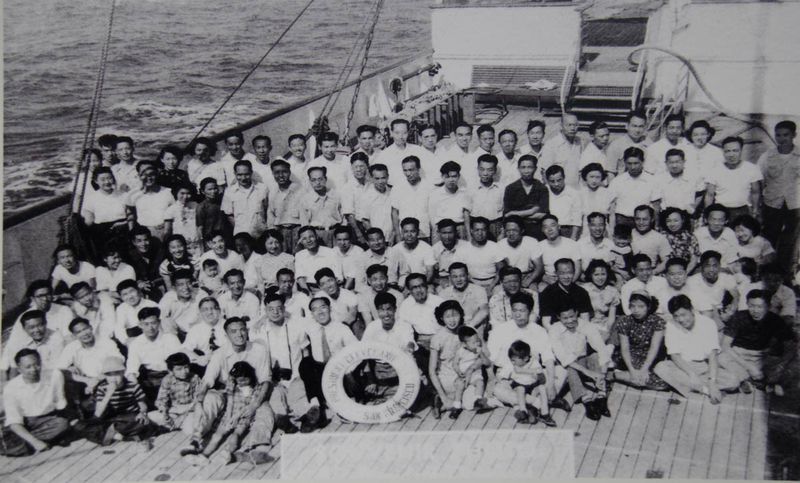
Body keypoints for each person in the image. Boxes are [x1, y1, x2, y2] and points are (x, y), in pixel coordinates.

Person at [487, 292, 565, 423]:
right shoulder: (500, 330)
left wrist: (551, 383)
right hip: (510, 376)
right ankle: (537, 403)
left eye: (522, 310)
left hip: (533, 375)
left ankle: (522, 406)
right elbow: (490, 359)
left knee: (562, 372)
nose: (518, 314)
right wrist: (491, 378)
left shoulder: (538, 331)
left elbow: (548, 358)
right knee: (498, 389)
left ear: (530, 311)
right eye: (515, 310)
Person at [654, 295, 743, 403]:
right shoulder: (671, 325)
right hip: (683, 367)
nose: (680, 319)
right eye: (676, 316)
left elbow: (712, 356)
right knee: (660, 367)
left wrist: (712, 382)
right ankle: (705, 391)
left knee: (733, 381)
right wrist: (692, 375)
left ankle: (693, 388)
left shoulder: (708, 323)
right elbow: (675, 356)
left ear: (692, 310)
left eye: (683, 314)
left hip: (705, 366)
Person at [185, 361, 273, 465]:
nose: (241, 383)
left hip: (244, 416)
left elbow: (248, 407)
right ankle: (204, 455)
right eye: (239, 381)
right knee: (217, 435)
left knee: (236, 434)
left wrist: (236, 417)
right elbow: (230, 402)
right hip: (230, 413)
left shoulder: (256, 388)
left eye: (244, 380)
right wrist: (229, 417)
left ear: (250, 376)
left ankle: (227, 453)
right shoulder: (232, 385)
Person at [249, 292, 310, 431]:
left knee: (300, 398)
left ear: (284, 308)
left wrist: (305, 374)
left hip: (295, 376)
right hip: (274, 380)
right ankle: (283, 421)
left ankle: (305, 420)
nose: (275, 312)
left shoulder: (296, 326)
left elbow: (306, 351)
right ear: (265, 311)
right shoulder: (257, 330)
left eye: (279, 308)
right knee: (276, 399)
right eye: (271, 309)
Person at [719, 289, 797, 396]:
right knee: (722, 358)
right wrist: (748, 367)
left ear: (769, 306)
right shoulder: (738, 317)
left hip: (762, 357)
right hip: (738, 356)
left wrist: (780, 367)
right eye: (752, 306)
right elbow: (725, 345)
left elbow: (792, 346)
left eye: (760, 307)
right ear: (747, 304)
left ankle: (748, 381)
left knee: (793, 366)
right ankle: (759, 382)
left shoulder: (775, 320)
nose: (755, 310)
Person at [297, 297, 358, 432]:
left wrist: (348, 371)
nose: (320, 312)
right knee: (306, 363)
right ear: (311, 314)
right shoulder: (310, 329)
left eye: (323, 307)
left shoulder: (342, 329)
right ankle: (315, 405)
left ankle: (330, 410)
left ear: (330, 309)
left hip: (341, 373)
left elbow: (357, 353)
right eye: (315, 310)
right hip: (321, 374)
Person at [0, 349, 72, 456]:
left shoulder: (54, 375)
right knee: (10, 441)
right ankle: (29, 441)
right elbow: (14, 422)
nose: (34, 369)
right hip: (23, 421)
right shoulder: (11, 388)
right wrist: (36, 442)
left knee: (63, 424)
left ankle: (22, 442)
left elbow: (60, 404)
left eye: (37, 365)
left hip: (48, 419)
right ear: (19, 369)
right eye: (28, 367)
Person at [548, 303, 613, 420]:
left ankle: (601, 396)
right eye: (565, 318)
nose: (570, 320)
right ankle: (587, 400)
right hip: (566, 364)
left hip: (582, 359)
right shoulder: (554, 329)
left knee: (595, 356)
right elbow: (564, 358)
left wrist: (602, 374)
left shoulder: (587, 325)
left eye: (572, 316)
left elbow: (601, 348)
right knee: (570, 367)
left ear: (577, 313)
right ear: (558, 317)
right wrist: (589, 373)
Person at [361, 293, 420, 406]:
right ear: (377, 311)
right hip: (379, 371)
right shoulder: (372, 327)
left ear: (395, 310)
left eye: (389, 309)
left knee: (413, 392)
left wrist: (409, 348)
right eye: (382, 310)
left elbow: (410, 343)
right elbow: (363, 353)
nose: (386, 313)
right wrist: (370, 380)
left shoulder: (404, 326)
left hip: (400, 369)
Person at [758, 120, 800, 270]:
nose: (782, 139)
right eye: (778, 135)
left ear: (794, 135)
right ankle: (766, 270)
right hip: (772, 204)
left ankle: (785, 271)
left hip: (795, 205)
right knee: (769, 237)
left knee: (790, 240)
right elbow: (759, 180)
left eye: (786, 135)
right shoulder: (767, 156)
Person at [125, 307, 184, 407]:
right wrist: (135, 386)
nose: (150, 328)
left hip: (171, 377)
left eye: (153, 323)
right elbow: (131, 368)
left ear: (159, 322)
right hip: (149, 380)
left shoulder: (170, 338)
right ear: (140, 325)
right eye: (146, 324)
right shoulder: (136, 343)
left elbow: (179, 363)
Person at [610, 291, 669, 390]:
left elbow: (654, 347)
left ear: (648, 307)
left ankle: (618, 375)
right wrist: (632, 371)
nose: (636, 310)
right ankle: (619, 375)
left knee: (663, 383)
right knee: (640, 379)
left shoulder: (658, 321)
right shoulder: (625, 321)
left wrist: (644, 369)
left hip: (650, 358)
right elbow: (625, 348)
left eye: (641, 306)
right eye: (633, 306)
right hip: (631, 358)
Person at [90, 356, 155, 446]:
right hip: (112, 417)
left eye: (116, 373)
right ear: (104, 376)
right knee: (90, 426)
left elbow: (143, 405)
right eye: (109, 375)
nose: (113, 378)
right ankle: (123, 436)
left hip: (129, 416)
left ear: (123, 373)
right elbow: (98, 413)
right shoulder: (102, 388)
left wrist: (142, 413)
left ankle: (115, 434)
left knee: (142, 422)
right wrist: (108, 394)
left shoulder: (132, 386)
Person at [704, 136, 762, 222]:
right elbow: (709, 195)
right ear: (723, 152)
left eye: (735, 151)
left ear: (741, 150)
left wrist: (755, 210)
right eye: (728, 151)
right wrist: (707, 214)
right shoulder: (715, 169)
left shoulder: (751, 168)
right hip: (721, 211)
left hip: (743, 210)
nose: (731, 155)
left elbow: (755, 192)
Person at [148, 352, 203, 434]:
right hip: (173, 410)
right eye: (179, 369)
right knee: (150, 416)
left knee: (190, 430)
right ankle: (173, 424)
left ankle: (175, 425)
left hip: (189, 410)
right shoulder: (167, 380)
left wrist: (186, 413)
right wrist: (164, 412)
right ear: (170, 371)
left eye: (186, 367)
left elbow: (198, 398)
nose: (184, 371)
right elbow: (162, 399)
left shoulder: (194, 378)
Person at [0, 310, 65, 379]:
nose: (37, 330)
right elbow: (14, 368)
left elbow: (55, 369)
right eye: (32, 327)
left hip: (49, 376)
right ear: (24, 329)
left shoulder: (56, 338)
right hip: (26, 378)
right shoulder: (19, 340)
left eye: (40, 325)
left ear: (46, 324)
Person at [608, 147, 662, 229]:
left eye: (636, 163)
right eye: (629, 163)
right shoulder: (617, 181)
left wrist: (656, 226)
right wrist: (612, 229)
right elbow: (612, 209)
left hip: (644, 223)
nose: (633, 167)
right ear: (625, 163)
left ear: (642, 162)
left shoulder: (652, 181)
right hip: (622, 222)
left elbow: (656, 208)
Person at [398, 274, 445, 365]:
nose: (419, 290)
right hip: (420, 343)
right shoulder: (406, 305)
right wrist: (410, 344)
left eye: (422, 286)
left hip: (441, 340)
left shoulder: (438, 301)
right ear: (409, 290)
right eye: (414, 287)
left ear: (427, 286)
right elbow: (405, 329)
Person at [81, 167, 132, 251]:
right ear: (96, 181)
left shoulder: (123, 195)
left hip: (124, 232)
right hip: (103, 235)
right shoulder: (90, 199)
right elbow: (89, 222)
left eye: (110, 178)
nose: (107, 182)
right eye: (103, 179)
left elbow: (130, 215)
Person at [449, 326, 492, 418]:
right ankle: (457, 406)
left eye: (477, 340)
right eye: (473, 342)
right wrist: (458, 371)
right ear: (464, 344)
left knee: (480, 382)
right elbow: (455, 364)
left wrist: (480, 353)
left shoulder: (478, 351)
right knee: (460, 386)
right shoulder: (460, 351)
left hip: (475, 375)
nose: (477, 344)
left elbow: (487, 363)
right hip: (464, 375)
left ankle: (478, 400)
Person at [503, 154, 549, 240]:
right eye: (523, 167)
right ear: (518, 169)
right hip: (517, 232)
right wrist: (532, 211)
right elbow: (507, 215)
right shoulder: (511, 188)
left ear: (535, 169)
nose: (526, 171)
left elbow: (543, 215)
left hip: (537, 231)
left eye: (529, 167)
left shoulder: (542, 188)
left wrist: (515, 213)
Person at [438, 262, 490, 336]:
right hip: (452, 331)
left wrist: (468, 327)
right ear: (449, 278)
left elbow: (484, 311)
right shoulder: (443, 294)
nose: (459, 280)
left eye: (462, 276)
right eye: (455, 277)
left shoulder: (479, 290)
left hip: (474, 329)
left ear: (467, 276)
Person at [221, 160, 269, 240]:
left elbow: (267, 209)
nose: (243, 178)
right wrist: (240, 231)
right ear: (235, 174)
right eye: (239, 175)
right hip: (241, 236)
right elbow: (229, 215)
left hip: (261, 235)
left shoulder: (262, 188)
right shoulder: (229, 192)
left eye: (246, 174)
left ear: (251, 173)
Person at [127, 161, 175, 241]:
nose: (148, 178)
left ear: (156, 174)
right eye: (144, 174)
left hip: (164, 232)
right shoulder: (133, 194)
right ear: (139, 175)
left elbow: (172, 215)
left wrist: (166, 234)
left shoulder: (167, 192)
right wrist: (132, 235)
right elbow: (130, 216)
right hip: (142, 235)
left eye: (151, 174)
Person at [539, 258, 593, 328]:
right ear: (556, 273)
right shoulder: (547, 293)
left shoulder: (581, 292)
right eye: (562, 273)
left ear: (574, 272)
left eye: (569, 272)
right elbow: (546, 323)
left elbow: (585, 320)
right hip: (556, 330)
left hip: (577, 328)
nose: (566, 276)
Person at [374, 118, 429, 187]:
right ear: (391, 132)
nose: (401, 136)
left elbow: (427, 172)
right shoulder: (384, 155)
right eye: (397, 133)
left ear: (408, 132)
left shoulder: (418, 150)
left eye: (404, 133)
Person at [507, 340, 551, 425]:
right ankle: (523, 411)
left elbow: (539, 370)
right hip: (519, 384)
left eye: (514, 360)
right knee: (520, 389)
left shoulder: (533, 362)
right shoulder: (512, 364)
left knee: (542, 388)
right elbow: (503, 375)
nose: (512, 362)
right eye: (511, 360)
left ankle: (544, 413)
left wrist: (523, 370)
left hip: (532, 385)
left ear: (526, 358)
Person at [390, 155, 433, 241]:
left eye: (411, 170)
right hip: (405, 235)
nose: (408, 174)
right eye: (405, 170)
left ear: (418, 169)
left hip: (424, 233)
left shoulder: (429, 186)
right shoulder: (398, 187)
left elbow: (433, 213)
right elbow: (394, 212)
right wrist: (398, 234)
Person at [460, 217, 506, 295]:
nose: (480, 233)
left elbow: (501, 271)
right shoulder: (463, 249)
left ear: (487, 231)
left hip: (493, 282)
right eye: (477, 230)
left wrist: (491, 286)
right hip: (471, 283)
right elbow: (460, 271)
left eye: (483, 230)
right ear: (471, 231)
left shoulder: (495, 246)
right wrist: (474, 287)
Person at [354, 228, 409, 293]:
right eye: (372, 240)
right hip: (372, 291)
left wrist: (400, 286)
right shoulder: (362, 258)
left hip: (394, 289)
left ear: (384, 239)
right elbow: (359, 284)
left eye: (379, 239)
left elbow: (405, 273)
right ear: (367, 242)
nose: (377, 242)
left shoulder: (395, 252)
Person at [428, 161, 472, 241]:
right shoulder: (435, 194)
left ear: (458, 176)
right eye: (447, 177)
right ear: (442, 177)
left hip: (460, 229)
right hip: (441, 230)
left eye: (454, 176)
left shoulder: (464, 193)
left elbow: (466, 217)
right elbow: (432, 217)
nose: (451, 180)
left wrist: (469, 236)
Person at [300, 166, 344, 246]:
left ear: (325, 179)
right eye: (313, 180)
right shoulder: (306, 199)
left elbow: (343, 217)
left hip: (336, 233)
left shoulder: (336, 195)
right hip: (317, 235)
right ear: (310, 181)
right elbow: (304, 223)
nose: (317, 183)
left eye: (320, 179)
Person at [267, 159, 303, 253]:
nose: (281, 176)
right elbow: (271, 215)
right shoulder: (272, 193)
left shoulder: (300, 190)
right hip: (280, 232)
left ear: (289, 172)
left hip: (298, 230)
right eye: (277, 173)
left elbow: (306, 214)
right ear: (273, 174)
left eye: (284, 172)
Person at [656, 148, 705, 217]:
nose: (674, 165)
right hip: (667, 216)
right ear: (666, 163)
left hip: (688, 215)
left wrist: (694, 206)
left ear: (684, 162)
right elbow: (656, 201)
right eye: (671, 162)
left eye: (677, 162)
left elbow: (700, 193)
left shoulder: (695, 176)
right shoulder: (659, 179)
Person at [497, 216, 543, 289]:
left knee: (533, 292)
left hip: (527, 276)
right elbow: (501, 270)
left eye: (514, 230)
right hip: (509, 277)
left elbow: (539, 267)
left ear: (522, 230)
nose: (511, 233)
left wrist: (528, 281)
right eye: (508, 231)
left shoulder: (532, 242)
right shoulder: (500, 244)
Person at [580, 259, 620, 342]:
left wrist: (607, 330)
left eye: (603, 274)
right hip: (589, 323)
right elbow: (584, 317)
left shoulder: (612, 291)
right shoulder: (585, 289)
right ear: (591, 275)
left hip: (605, 323)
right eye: (596, 274)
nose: (600, 278)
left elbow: (611, 317)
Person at [539, 113, 582, 187]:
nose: (572, 128)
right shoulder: (551, 145)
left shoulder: (579, 142)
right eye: (569, 125)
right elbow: (545, 173)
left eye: (575, 125)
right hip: (558, 192)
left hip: (576, 191)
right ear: (561, 126)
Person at [182, 296, 225, 369]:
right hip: (205, 365)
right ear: (200, 313)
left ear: (219, 310)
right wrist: (198, 358)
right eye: (205, 310)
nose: (210, 312)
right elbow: (185, 349)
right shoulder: (196, 329)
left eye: (213, 308)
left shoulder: (228, 326)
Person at [313, 267, 359, 335]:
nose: (328, 286)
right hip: (328, 329)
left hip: (346, 328)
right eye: (323, 284)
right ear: (320, 287)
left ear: (336, 280)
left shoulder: (348, 295)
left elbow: (352, 315)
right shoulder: (318, 297)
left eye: (330, 280)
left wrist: (338, 330)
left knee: (357, 325)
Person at [538, 215, 581, 287]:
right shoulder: (539, 246)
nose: (549, 229)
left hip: (569, 279)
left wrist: (568, 283)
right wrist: (545, 278)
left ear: (559, 227)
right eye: (545, 227)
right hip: (548, 281)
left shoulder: (571, 244)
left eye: (552, 225)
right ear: (542, 230)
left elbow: (578, 269)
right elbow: (537, 269)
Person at [469, 154, 505, 239]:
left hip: (496, 226)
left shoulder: (501, 189)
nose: (485, 173)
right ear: (477, 169)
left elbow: (506, 212)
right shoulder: (471, 189)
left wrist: (503, 232)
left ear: (495, 170)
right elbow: (466, 213)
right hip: (477, 228)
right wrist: (469, 234)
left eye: (489, 170)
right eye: (482, 169)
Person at [114, 279, 159, 345]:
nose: (130, 296)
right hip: (134, 340)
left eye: (131, 291)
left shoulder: (151, 304)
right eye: (125, 294)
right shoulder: (121, 309)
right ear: (121, 297)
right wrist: (126, 340)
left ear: (138, 290)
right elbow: (119, 329)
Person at [163, 185, 202, 260]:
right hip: (180, 245)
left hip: (196, 242)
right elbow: (167, 231)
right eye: (182, 193)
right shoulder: (171, 209)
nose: (185, 196)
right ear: (176, 193)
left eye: (188, 193)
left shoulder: (196, 206)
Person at [393, 217, 436, 283]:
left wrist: (417, 286)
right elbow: (393, 274)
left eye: (412, 231)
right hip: (402, 285)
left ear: (418, 232)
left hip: (422, 284)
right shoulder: (395, 249)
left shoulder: (427, 248)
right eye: (406, 232)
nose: (409, 235)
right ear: (402, 232)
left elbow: (430, 273)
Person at [607, 111, 650, 178]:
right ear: (626, 126)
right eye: (634, 126)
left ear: (645, 127)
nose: (637, 130)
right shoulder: (616, 145)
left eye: (641, 126)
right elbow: (611, 172)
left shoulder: (649, 144)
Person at [126, 226, 164, 300]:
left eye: (146, 240)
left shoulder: (158, 253)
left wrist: (154, 282)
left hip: (158, 285)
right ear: (134, 242)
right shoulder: (129, 258)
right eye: (139, 241)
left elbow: (165, 273)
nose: (143, 244)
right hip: (139, 289)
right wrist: (139, 283)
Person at [631, 205, 671, 274]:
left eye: (645, 219)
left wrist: (653, 272)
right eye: (638, 219)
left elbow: (666, 261)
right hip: (631, 272)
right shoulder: (628, 234)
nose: (641, 222)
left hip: (651, 272)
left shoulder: (659, 237)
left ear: (652, 219)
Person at [432, 218, 470, 290]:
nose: (447, 237)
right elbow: (431, 275)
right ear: (438, 233)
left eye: (450, 233)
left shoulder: (466, 246)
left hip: (463, 279)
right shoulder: (434, 250)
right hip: (443, 281)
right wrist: (440, 281)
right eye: (444, 233)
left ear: (456, 232)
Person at [359, 163, 393, 242]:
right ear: (371, 178)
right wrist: (375, 238)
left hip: (392, 238)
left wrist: (394, 235)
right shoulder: (366, 196)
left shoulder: (393, 192)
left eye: (383, 178)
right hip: (377, 240)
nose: (380, 181)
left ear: (388, 177)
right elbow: (365, 221)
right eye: (377, 178)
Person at [661, 207, 701, 274]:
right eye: (668, 221)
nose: (672, 224)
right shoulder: (662, 236)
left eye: (676, 221)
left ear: (682, 220)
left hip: (686, 272)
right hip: (665, 273)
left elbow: (694, 259)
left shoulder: (690, 237)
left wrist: (684, 274)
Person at [545, 165, 581, 239]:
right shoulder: (544, 191)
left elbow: (577, 218)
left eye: (559, 180)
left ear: (564, 178)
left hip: (567, 230)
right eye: (552, 181)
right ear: (547, 181)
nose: (556, 184)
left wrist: (573, 237)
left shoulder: (573, 193)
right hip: (548, 230)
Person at [196, 177, 233, 249]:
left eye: (215, 188)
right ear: (203, 191)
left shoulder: (223, 201)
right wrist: (202, 246)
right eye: (209, 189)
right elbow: (200, 228)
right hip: (211, 240)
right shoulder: (201, 207)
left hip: (226, 237)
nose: (213, 191)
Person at [578, 164, 612, 231]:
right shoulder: (579, 194)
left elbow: (612, 217)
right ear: (586, 177)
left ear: (602, 178)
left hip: (603, 230)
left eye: (597, 177)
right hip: (584, 229)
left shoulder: (608, 193)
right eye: (591, 177)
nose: (594, 180)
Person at [331, 226, 364, 290]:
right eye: (339, 240)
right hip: (338, 284)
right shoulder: (333, 251)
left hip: (355, 285)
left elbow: (354, 274)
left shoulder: (358, 251)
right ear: (335, 240)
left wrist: (345, 291)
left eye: (345, 239)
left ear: (351, 239)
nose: (342, 243)